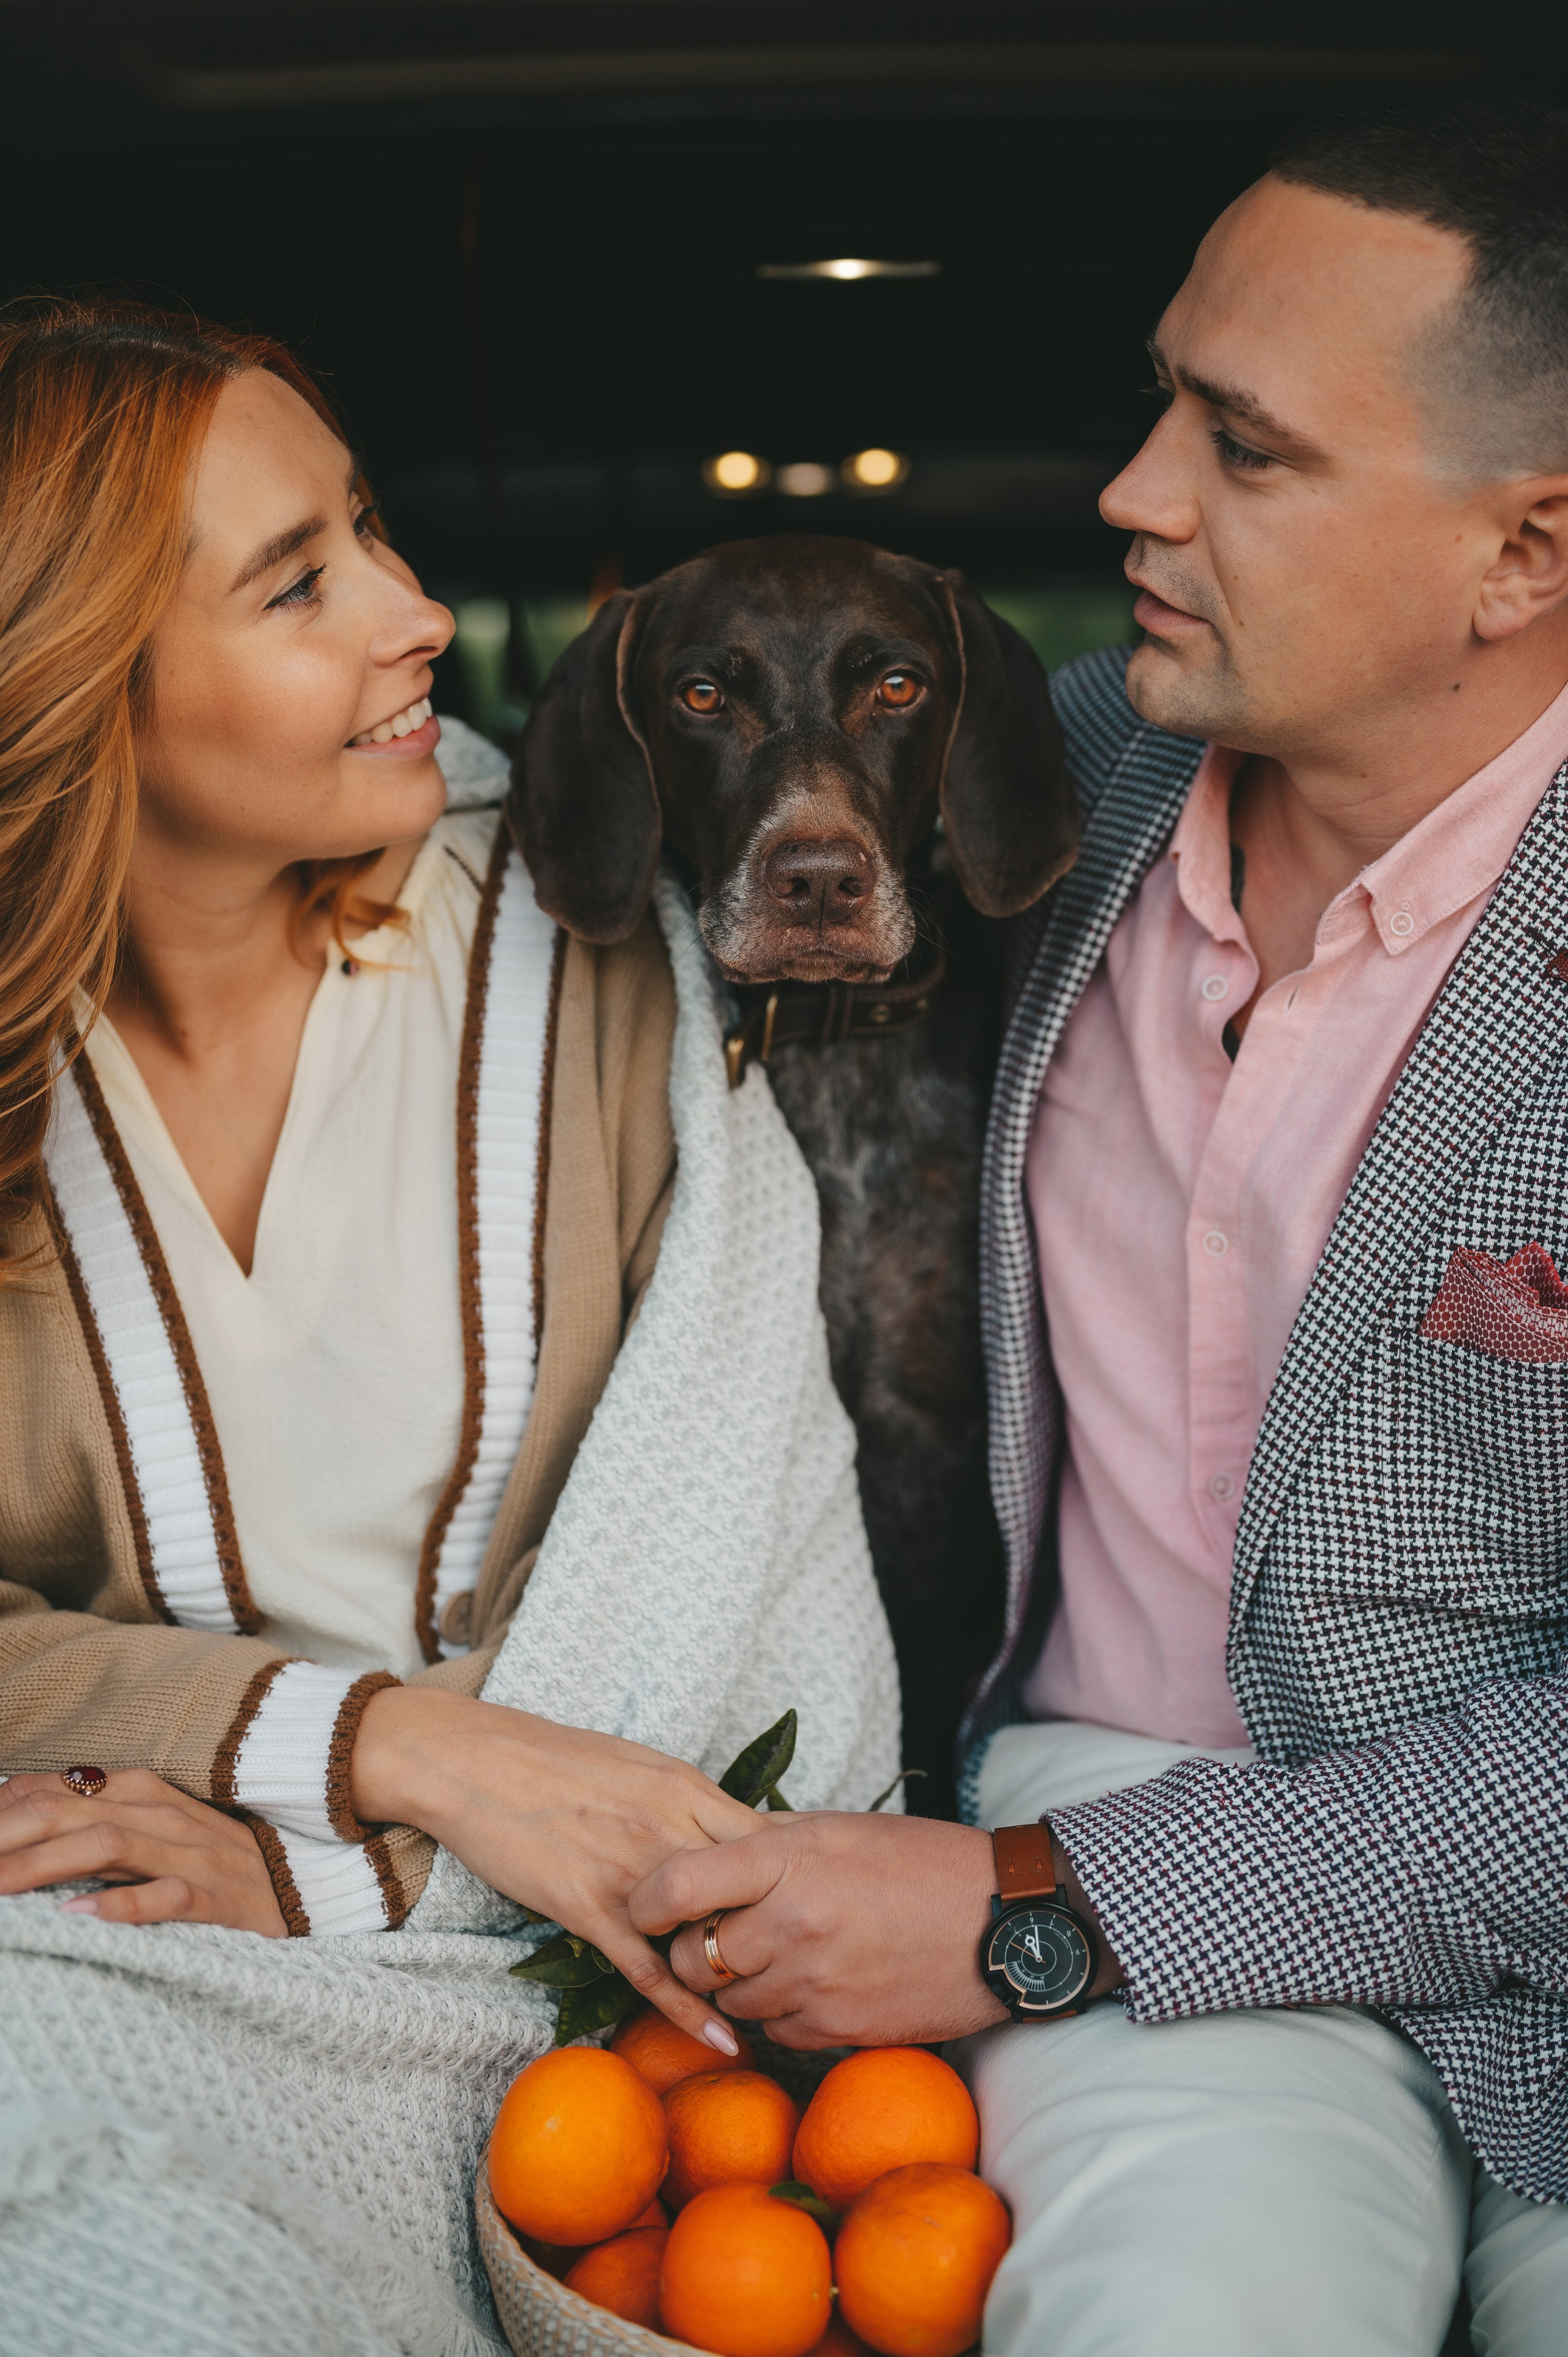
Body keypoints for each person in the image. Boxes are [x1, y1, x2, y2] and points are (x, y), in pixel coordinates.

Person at [635, 99, 1568, 2355]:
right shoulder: (1025, 785)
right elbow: (523, 873)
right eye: (1164, 398)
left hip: (1133, 1881)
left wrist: (1032, 1911)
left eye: (1242, 448)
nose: (1131, 489)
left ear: (1524, 555)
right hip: (1110, 1784)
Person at [0, 299, 897, 2349]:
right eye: (301, 580)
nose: (419, 617)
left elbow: (743, 1595)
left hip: (610, 1983)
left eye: (374, 527)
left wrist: (349, 1875)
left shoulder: (591, 957)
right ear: (70, 689)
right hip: (100, 1945)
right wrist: (377, 1742)